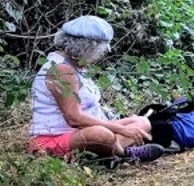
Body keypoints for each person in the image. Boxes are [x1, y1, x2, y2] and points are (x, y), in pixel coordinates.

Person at [29, 15, 165, 163]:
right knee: (101, 135)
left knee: (142, 122)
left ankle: (106, 153)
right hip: (56, 138)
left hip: (86, 130)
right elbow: (74, 119)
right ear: (88, 48)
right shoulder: (61, 70)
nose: (102, 55)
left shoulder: (75, 66)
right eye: (101, 50)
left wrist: (121, 124)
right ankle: (124, 154)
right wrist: (121, 129)